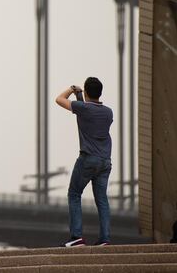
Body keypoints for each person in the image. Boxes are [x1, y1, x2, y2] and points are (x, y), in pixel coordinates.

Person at [55, 77, 113, 247]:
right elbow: (87, 114)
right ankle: (105, 238)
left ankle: (76, 236)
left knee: (74, 194)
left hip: (88, 159)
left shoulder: (83, 108)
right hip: (105, 161)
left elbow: (59, 100)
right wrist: (81, 98)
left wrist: (72, 89)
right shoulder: (108, 112)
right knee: (102, 200)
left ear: (86, 92)